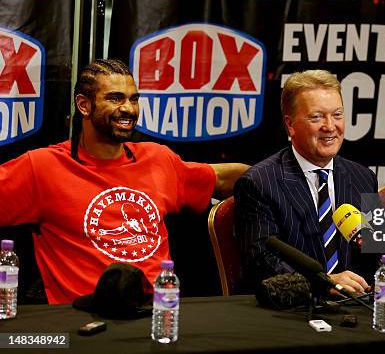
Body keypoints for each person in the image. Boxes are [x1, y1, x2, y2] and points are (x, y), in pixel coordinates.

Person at [0, 59, 248, 304]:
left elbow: (225, 177)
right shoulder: (42, 167)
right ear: (84, 106)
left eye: (134, 99)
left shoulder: (158, 158)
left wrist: (279, 176)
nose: (129, 109)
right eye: (115, 98)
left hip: (159, 315)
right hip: (84, 321)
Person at [234, 70, 385, 293]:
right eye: (317, 117)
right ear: (290, 124)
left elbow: (383, 242)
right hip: (292, 310)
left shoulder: (361, 177)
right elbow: (261, 261)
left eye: (337, 115)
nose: (330, 126)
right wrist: (324, 282)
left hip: (355, 309)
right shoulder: (259, 183)